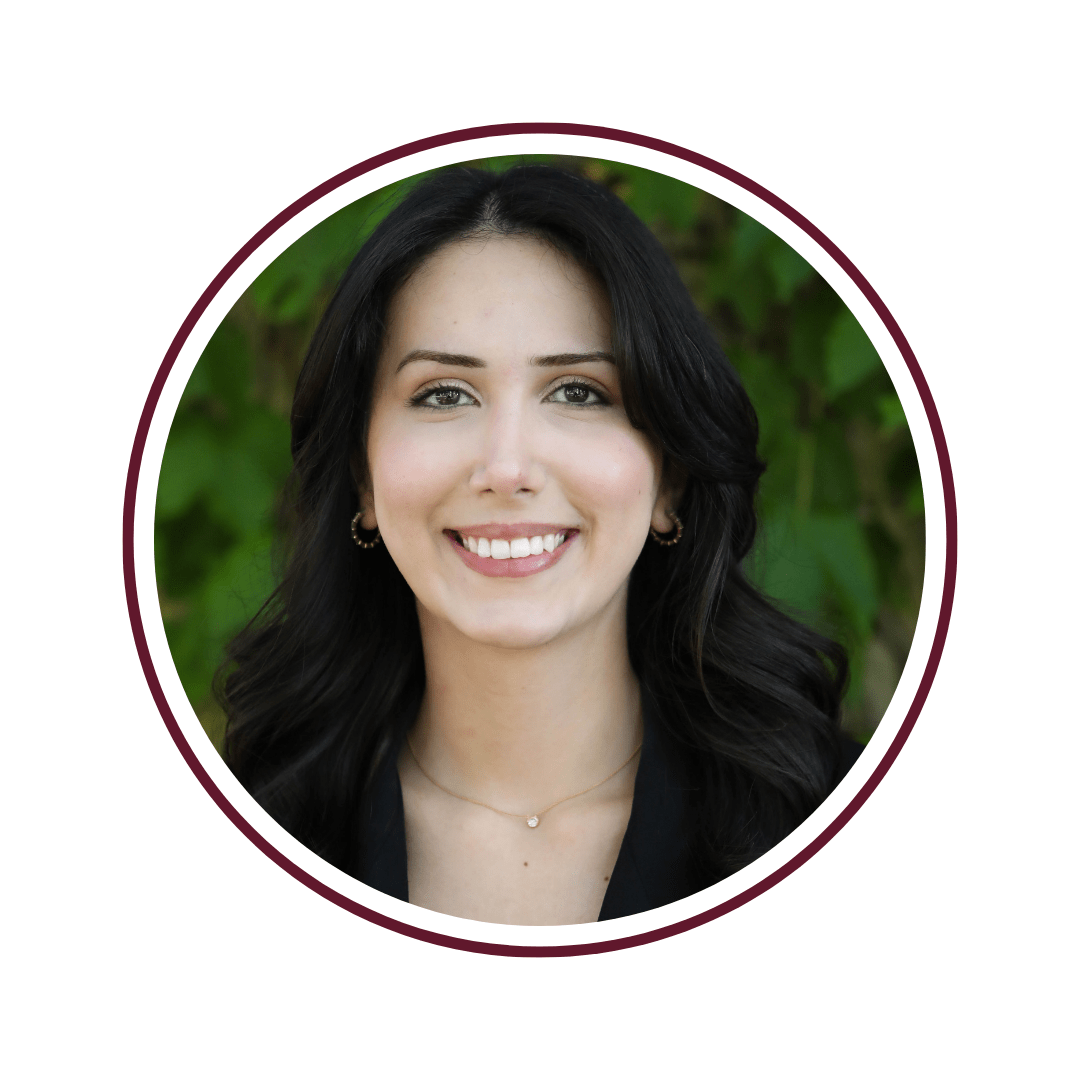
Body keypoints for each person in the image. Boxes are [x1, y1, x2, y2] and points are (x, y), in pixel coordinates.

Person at [220, 164, 857, 926]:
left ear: (671, 481)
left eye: (579, 392)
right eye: (443, 395)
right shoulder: (246, 834)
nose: (507, 468)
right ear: (362, 478)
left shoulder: (832, 826)